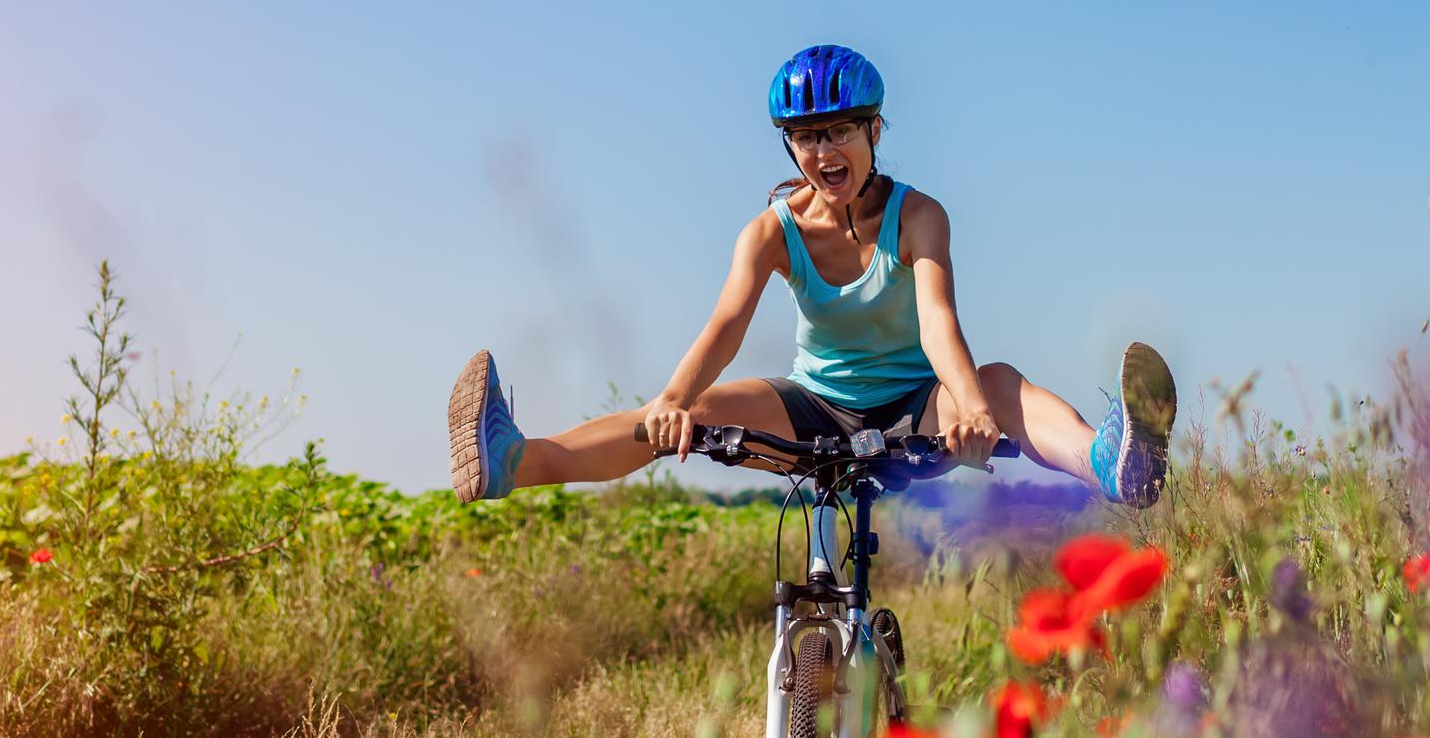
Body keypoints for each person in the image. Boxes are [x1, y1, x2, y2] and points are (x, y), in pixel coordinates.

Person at [448, 44, 1175, 506]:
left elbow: (937, 321)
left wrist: (969, 406)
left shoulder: (919, 217)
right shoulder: (771, 231)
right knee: (684, 417)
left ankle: (1111, 464)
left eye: (839, 131)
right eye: (804, 136)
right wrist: (673, 399)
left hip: (914, 412)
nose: (823, 151)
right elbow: (725, 327)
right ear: (789, 144)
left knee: (1003, 384)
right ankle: (516, 460)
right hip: (813, 409)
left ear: (874, 133)